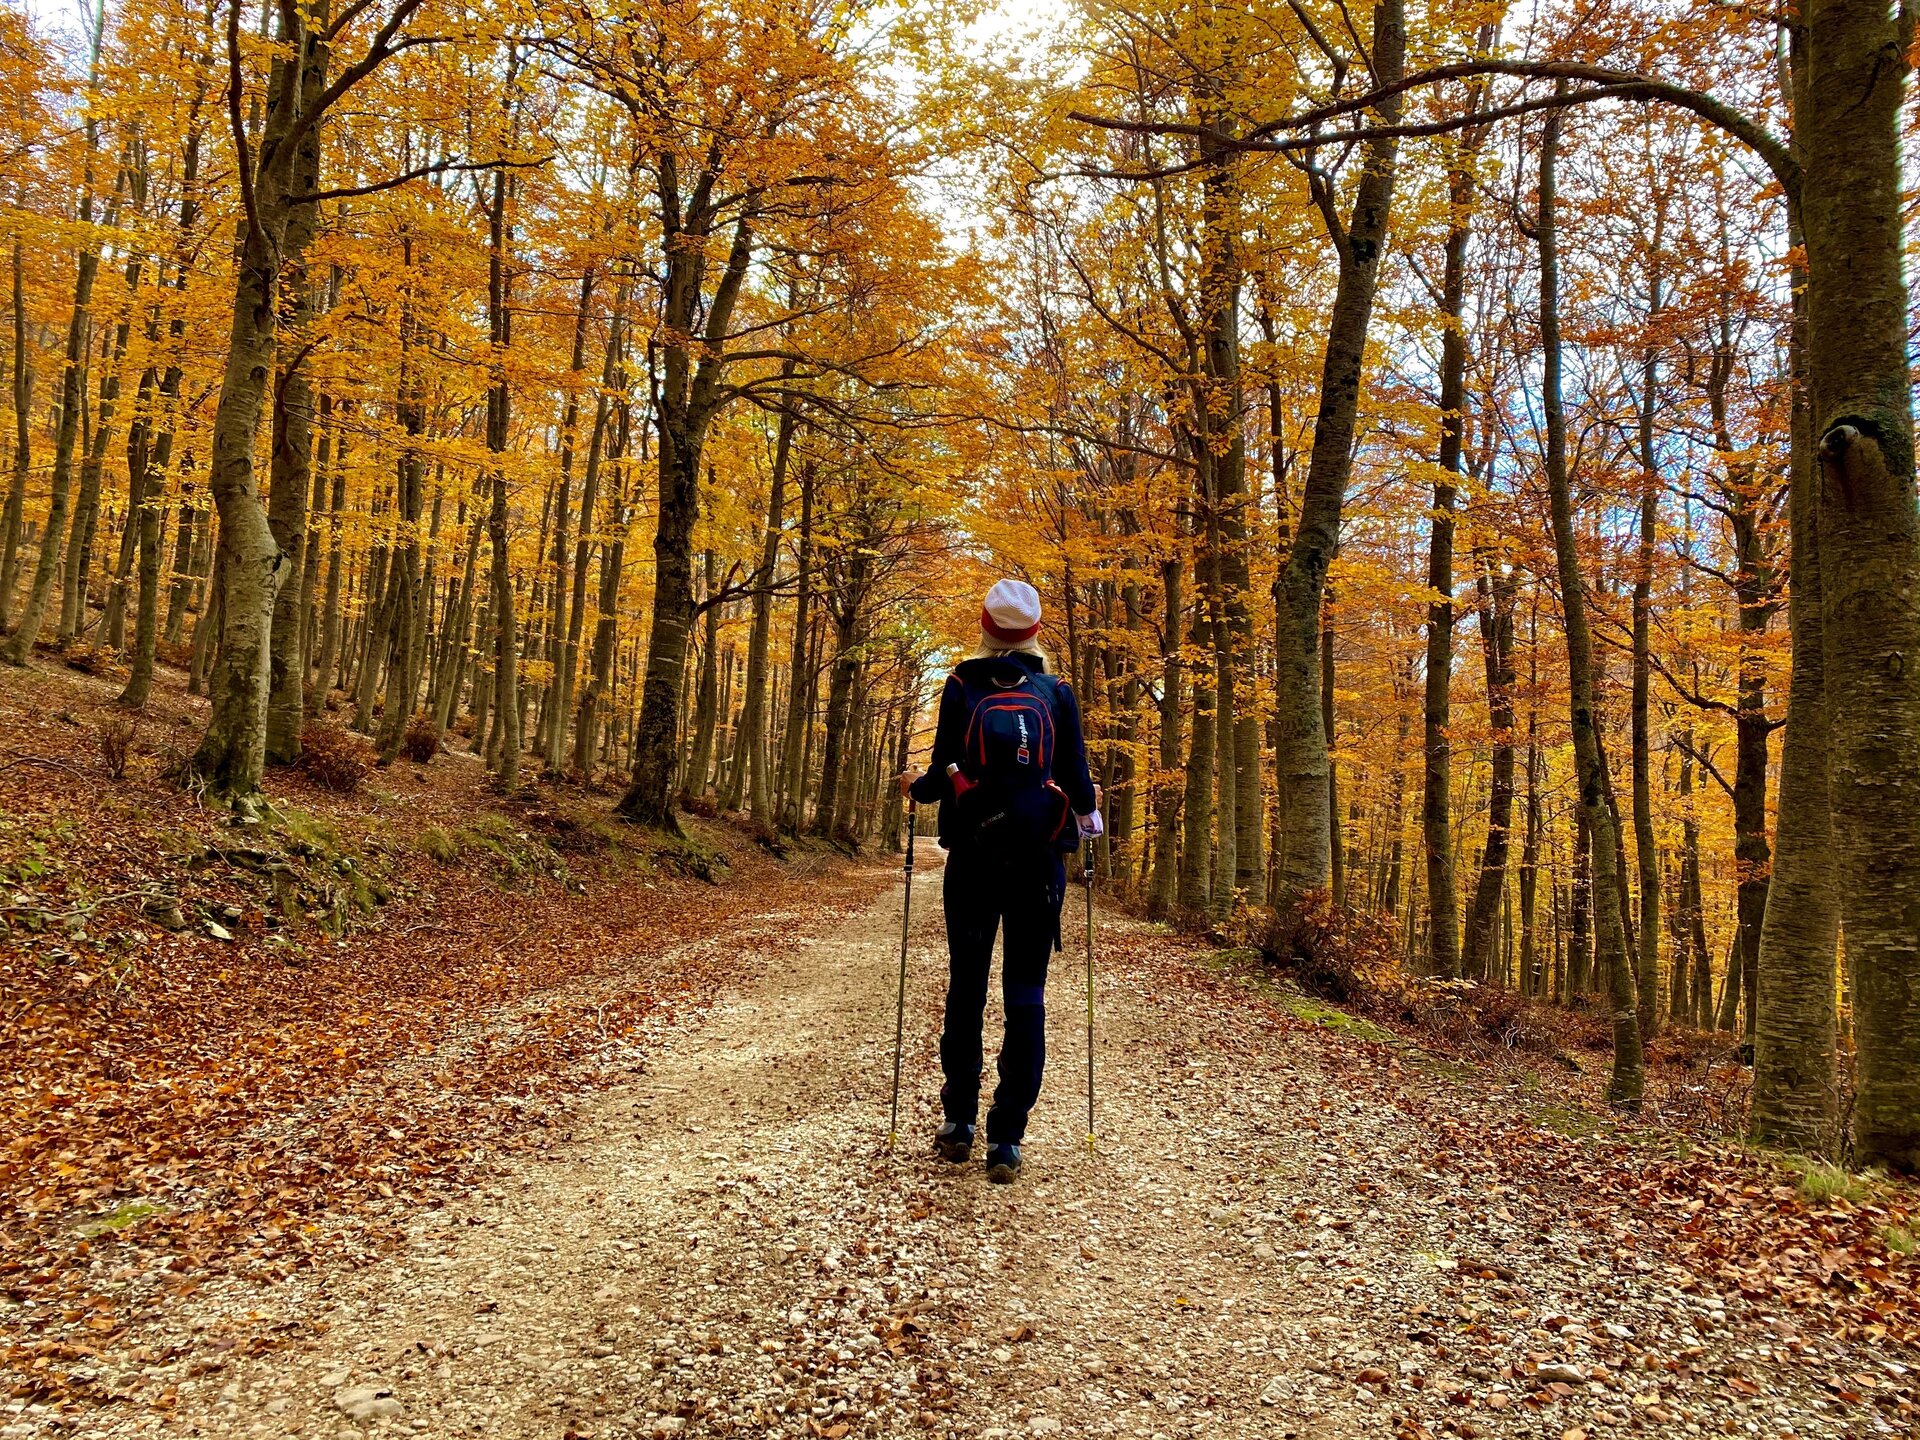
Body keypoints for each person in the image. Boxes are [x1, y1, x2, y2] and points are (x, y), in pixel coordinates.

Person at [897, 579, 1100, 1184]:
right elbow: (1082, 788)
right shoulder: (1056, 692)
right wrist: (1076, 824)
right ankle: (1007, 1136)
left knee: (967, 986)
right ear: (1035, 633)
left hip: (974, 860)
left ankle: (957, 1121)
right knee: (1026, 995)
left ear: (986, 627)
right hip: (1039, 863)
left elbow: (938, 775)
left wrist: (917, 788)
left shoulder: (960, 685)